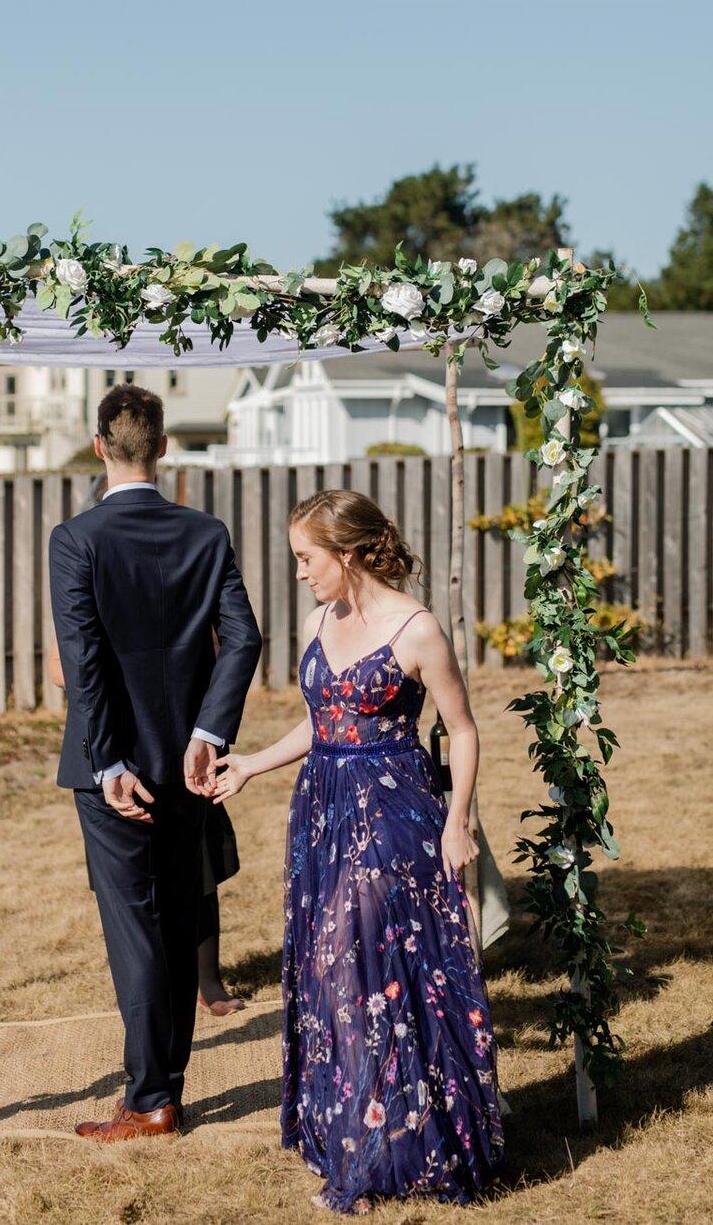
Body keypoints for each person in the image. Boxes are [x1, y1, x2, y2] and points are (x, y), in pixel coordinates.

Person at [214, 490, 504, 1212]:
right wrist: (251, 763)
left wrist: (457, 821)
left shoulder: (416, 629)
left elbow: (461, 730)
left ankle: (387, 1154)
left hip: (394, 814)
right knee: (331, 976)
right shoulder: (320, 620)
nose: (301, 573)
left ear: (346, 553)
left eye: (308, 558)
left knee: (368, 968)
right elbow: (324, 722)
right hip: (321, 815)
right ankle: (364, 1140)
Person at [49, 384, 261, 1141]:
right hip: (189, 760)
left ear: (100, 446)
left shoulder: (76, 540)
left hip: (110, 769)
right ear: (164, 448)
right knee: (175, 922)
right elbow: (244, 640)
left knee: (136, 928)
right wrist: (210, 729)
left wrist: (106, 764)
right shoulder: (206, 534)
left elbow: (83, 664)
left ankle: (148, 1101)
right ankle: (164, 1090)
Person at [48, 626, 245, 1017]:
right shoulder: (89, 594)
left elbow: (220, 650)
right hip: (119, 746)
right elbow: (60, 667)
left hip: (181, 739)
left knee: (198, 868)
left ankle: (206, 979)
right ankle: (147, 990)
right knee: (131, 885)